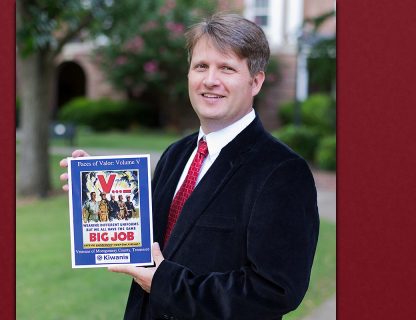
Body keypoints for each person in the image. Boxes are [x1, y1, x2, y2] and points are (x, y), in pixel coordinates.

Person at [60, 12, 319, 320]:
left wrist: (167, 283)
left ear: (256, 81)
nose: (211, 80)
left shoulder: (282, 172)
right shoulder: (175, 155)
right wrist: (100, 192)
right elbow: (147, 246)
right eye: (201, 66)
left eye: (226, 68)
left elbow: (275, 290)